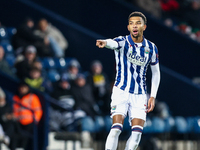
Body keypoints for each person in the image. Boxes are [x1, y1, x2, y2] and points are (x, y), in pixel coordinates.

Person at [96, 11, 160, 150]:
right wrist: (105, 42)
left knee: (137, 134)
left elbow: (156, 73)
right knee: (116, 128)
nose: (134, 26)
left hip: (140, 95)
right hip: (121, 91)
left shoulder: (151, 48)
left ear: (144, 27)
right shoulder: (123, 41)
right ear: (128, 27)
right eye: (131, 24)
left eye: (138, 23)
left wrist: (152, 96)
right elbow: (112, 43)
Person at [12, 82, 43, 150]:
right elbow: (15, 110)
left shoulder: (32, 97)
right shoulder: (16, 97)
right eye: (21, 87)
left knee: (27, 139)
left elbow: (38, 110)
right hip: (18, 122)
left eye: (24, 87)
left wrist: (35, 120)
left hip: (29, 123)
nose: (22, 89)